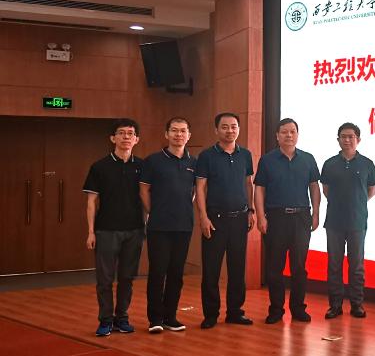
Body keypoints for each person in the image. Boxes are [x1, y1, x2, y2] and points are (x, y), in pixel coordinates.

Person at [254, 118, 320, 324]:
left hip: (301, 217)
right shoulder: (267, 160)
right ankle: (276, 310)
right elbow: (259, 189)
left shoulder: (308, 159)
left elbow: (314, 187)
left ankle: (298, 308)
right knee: (275, 267)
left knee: (299, 267)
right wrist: (260, 215)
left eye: (292, 131)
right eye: (284, 132)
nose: (289, 135)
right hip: (276, 218)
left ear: (297, 135)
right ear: (277, 136)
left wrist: (316, 213)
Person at [83, 118, 145, 336]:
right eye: (121, 133)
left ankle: (122, 318)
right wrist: (91, 232)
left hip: (135, 230)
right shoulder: (99, 166)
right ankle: (105, 320)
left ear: (136, 139)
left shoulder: (142, 166)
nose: (126, 137)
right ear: (113, 138)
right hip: (106, 230)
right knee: (105, 279)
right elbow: (91, 202)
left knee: (127, 278)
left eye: (130, 133)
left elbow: (147, 198)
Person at [195, 112, 255, 329]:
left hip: (240, 219)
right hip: (215, 220)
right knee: (211, 270)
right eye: (225, 127)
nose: (230, 130)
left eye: (234, 126)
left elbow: (248, 184)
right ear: (216, 130)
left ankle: (235, 312)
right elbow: (200, 187)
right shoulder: (206, 156)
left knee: (237, 269)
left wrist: (251, 210)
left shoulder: (245, 154)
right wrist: (203, 217)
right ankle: (211, 314)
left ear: (238, 129)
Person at [139, 117, 195, 333]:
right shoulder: (153, 161)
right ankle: (155, 319)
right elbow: (144, 190)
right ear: (166, 134)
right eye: (174, 130)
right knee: (158, 272)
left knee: (176, 273)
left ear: (188, 135)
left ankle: (170, 317)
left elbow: (195, 191)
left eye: (182, 131)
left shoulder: (194, 162)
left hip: (184, 225)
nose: (178, 134)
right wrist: (154, 211)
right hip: (159, 226)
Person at [321, 122, 375, 319]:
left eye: (351, 136)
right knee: (334, 265)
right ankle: (335, 305)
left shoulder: (367, 164)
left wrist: (356, 203)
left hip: (357, 222)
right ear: (338, 140)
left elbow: (371, 191)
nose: (347, 140)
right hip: (334, 222)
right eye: (343, 136)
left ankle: (357, 305)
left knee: (356, 266)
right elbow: (326, 190)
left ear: (358, 140)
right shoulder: (329, 164)